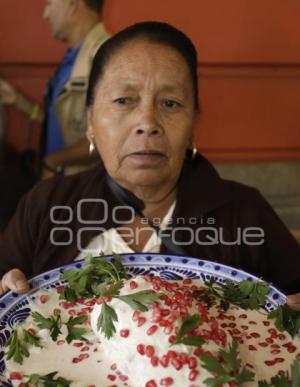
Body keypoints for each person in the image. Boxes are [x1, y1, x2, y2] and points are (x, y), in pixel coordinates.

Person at [0, 21, 299, 312]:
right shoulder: (46, 207)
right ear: (91, 121)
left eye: (170, 103)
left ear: (193, 123)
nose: (147, 123)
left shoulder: (246, 215)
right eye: (123, 100)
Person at [0, 0, 110, 177]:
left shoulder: (108, 56)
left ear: (73, 4)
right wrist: (17, 100)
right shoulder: (71, 59)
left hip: (80, 191)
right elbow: (65, 125)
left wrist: (54, 161)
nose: (45, 14)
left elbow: (109, 137)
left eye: (49, 3)